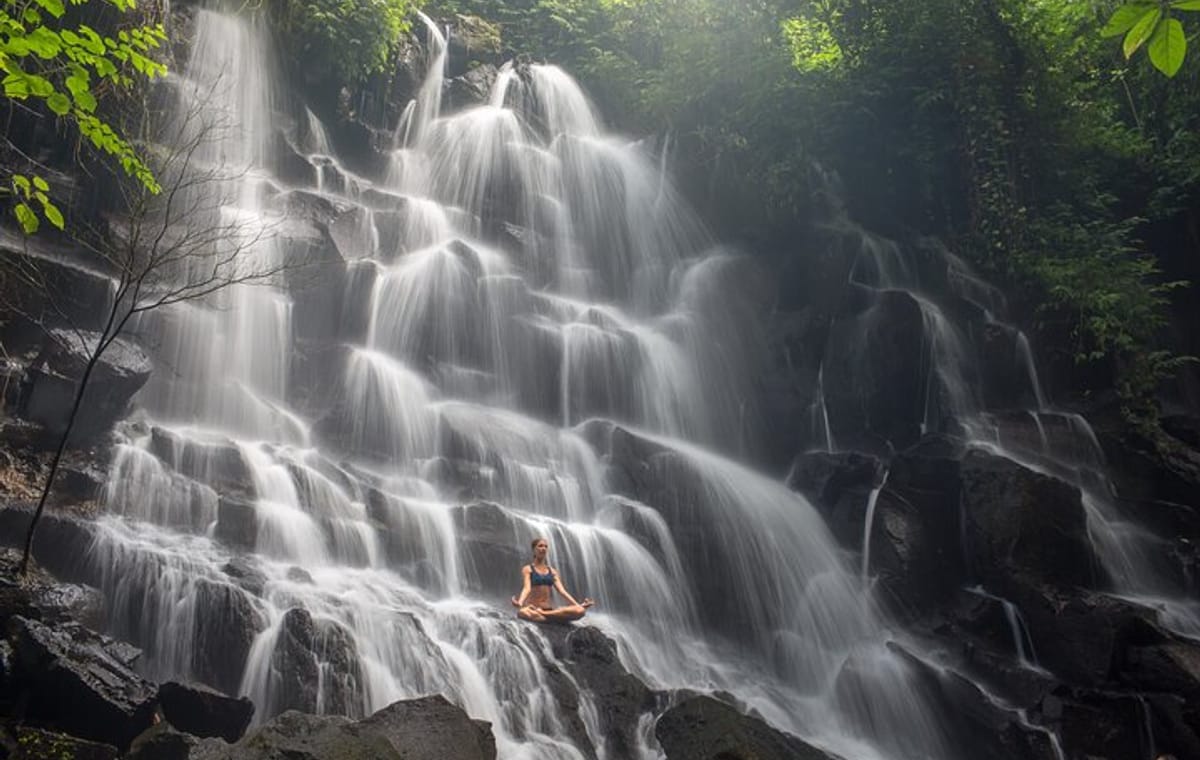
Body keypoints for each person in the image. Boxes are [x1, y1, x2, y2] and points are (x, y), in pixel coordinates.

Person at [510, 537, 595, 622]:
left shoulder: (553, 571)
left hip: (548, 610)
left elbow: (562, 591)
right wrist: (520, 602)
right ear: (534, 550)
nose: (543, 548)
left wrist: (578, 605)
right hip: (533, 609)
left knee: (580, 611)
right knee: (522, 612)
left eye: (546, 546)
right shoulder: (528, 569)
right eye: (540, 546)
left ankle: (545, 615)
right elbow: (526, 588)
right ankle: (553, 617)